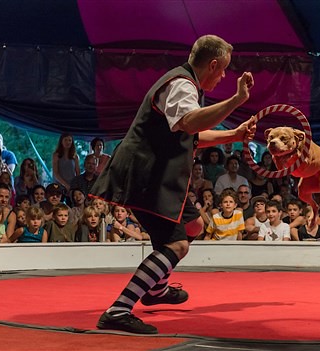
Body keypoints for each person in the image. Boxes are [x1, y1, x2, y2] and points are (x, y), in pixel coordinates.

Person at [90, 35, 255, 334]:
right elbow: (191, 124)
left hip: (156, 176)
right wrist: (236, 100)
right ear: (213, 64)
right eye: (222, 71)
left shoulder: (187, 87)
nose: (223, 77)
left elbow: (190, 135)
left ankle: (155, 289)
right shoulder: (182, 84)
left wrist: (236, 134)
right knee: (177, 244)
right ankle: (118, 310)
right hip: (144, 176)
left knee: (193, 228)